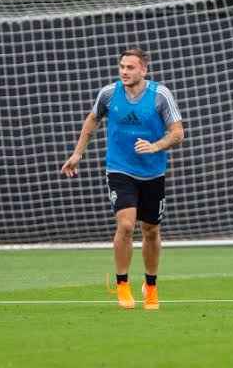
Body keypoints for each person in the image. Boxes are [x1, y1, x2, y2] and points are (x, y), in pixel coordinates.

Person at [61, 48, 184, 310]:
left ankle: (150, 286)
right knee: (126, 225)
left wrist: (155, 146)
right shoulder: (108, 94)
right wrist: (77, 154)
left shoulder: (160, 95)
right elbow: (92, 119)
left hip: (153, 172)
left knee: (151, 230)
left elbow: (177, 132)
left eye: (130, 67)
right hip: (120, 169)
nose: (124, 72)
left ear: (144, 70)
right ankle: (122, 284)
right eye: (122, 67)